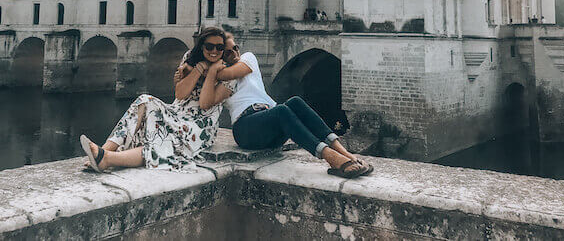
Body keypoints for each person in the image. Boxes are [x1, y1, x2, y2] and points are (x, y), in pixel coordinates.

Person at [176, 34, 373, 178]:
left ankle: (346, 154)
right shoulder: (221, 83)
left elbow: (229, 73)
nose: (234, 53)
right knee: (281, 110)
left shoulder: (247, 59)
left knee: (294, 102)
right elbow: (205, 102)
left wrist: (206, 70)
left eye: (235, 48)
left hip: (270, 124)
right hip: (246, 130)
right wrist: (199, 73)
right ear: (220, 55)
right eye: (227, 52)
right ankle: (331, 158)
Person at [80, 27, 235, 173]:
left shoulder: (229, 73)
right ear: (202, 47)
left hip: (199, 125)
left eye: (219, 47)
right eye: (209, 46)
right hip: (177, 112)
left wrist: (212, 71)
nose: (214, 51)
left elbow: (205, 104)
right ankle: (105, 150)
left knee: (162, 140)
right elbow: (180, 94)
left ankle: (106, 159)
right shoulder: (190, 58)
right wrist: (199, 68)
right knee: (144, 100)